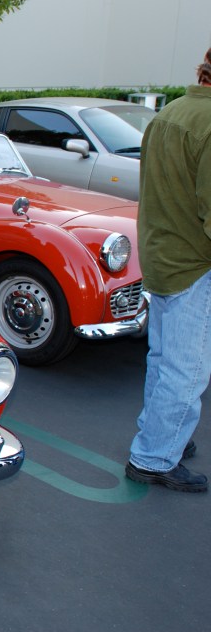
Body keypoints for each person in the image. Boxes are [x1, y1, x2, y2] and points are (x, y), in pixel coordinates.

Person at [125, 48, 211, 492]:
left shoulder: (170, 113)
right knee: (188, 369)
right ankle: (155, 457)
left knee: (163, 360)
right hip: (194, 262)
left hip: (162, 255)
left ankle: (163, 434)